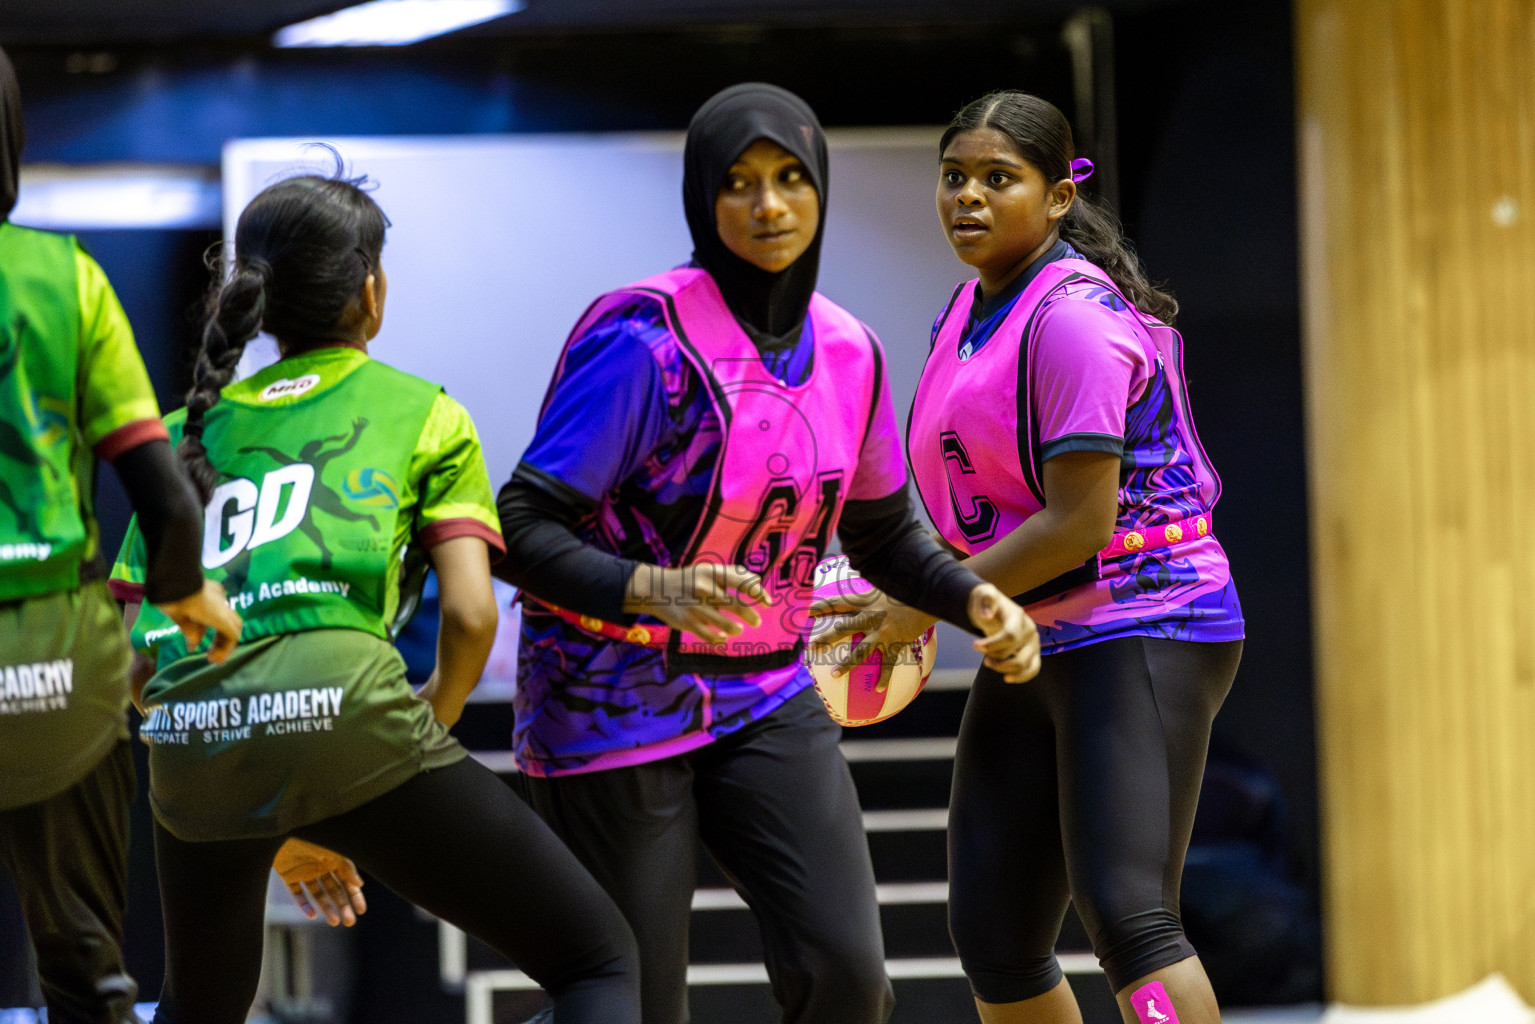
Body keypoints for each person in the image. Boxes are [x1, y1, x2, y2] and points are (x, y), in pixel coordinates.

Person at [495, 82, 1041, 1024]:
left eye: (790, 178)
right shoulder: (641, 340)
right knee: (632, 1008)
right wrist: (650, 588)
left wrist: (972, 598)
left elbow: (880, 535)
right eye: (739, 183)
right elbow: (518, 527)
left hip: (765, 693)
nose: (769, 205)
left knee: (848, 978)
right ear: (702, 197)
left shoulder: (850, 350)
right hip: (610, 695)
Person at [108, 171, 641, 1024]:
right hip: (350, 715)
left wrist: (277, 812)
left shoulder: (182, 434)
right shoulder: (420, 411)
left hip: (192, 746)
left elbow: (136, 669)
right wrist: (428, 720)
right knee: (599, 964)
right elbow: (470, 614)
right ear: (369, 288)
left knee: (198, 1009)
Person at [821, 89, 1245, 1024]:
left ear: (1057, 197)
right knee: (995, 938)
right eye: (953, 177)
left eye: (997, 178)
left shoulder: (1072, 320)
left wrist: (923, 600)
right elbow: (975, 507)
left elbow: (1075, 525)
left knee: (1131, 921)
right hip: (1035, 630)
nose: (967, 197)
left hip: (1142, 617)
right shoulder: (966, 313)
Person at [0, 46, 242, 1024]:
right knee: (83, 965)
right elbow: (165, 499)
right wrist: (183, 590)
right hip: (56, 664)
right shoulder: (65, 279)